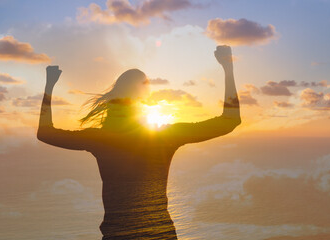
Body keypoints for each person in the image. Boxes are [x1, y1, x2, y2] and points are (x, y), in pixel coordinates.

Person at [37, 45, 241, 239]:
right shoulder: (163, 136)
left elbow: (45, 133)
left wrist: (49, 86)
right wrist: (228, 68)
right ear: (144, 98)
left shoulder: (99, 138)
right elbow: (230, 120)